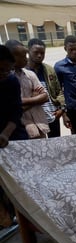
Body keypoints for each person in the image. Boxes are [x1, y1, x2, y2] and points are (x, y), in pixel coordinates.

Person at [0, 44, 28, 229]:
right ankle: (5, 216)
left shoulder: (11, 81)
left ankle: (24, 217)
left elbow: (16, 111)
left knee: (21, 181)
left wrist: (5, 133)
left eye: (7, 70)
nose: (4, 74)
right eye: (0, 70)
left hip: (13, 135)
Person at [5, 39, 49, 139]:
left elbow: (45, 96)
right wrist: (34, 99)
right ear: (13, 57)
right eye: (23, 56)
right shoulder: (6, 78)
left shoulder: (29, 74)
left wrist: (26, 101)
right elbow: (13, 106)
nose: (26, 59)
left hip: (39, 126)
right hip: (22, 130)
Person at [26, 38, 67, 138]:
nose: (40, 55)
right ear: (28, 51)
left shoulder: (49, 70)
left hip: (53, 116)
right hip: (34, 119)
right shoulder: (23, 72)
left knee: (55, 145)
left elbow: (58, 91)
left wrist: (62, 109)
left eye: (42, 53)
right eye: (36, 52)